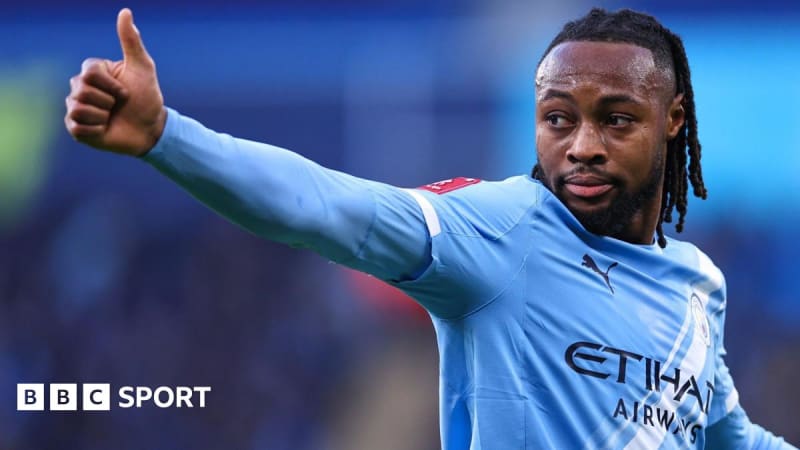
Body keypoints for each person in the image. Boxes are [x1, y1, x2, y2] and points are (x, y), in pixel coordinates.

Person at [64, 7, 797, 449]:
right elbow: (323, 206)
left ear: (672, 123)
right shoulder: (504, 230)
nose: (581, 146)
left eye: (616, 119)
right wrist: (168, 137)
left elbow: (725, 432)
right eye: (557, 120)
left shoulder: (697, 285)